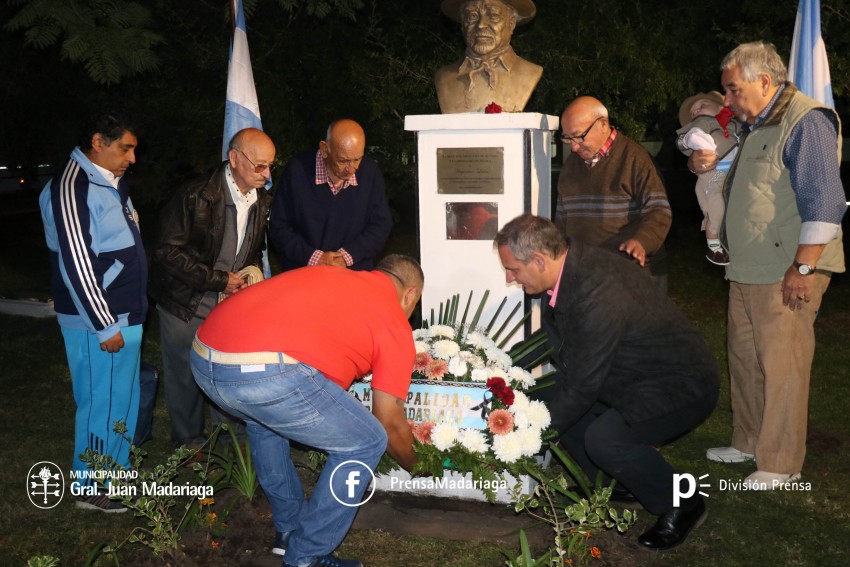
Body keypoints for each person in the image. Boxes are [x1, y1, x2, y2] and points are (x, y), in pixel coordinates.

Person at [495, 214, 719, 551]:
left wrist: (530, 437)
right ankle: (621, 482)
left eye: (513, 269)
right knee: (552, 402)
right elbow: (560, 339)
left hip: (680, 384)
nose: (510, 278)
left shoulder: (597, 291)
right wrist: (502, 366)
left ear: (539, 260)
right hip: (633, 373)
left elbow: (584, 385)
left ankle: (684, 502)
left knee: (605, 439)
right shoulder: (572, 269)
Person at [190, 254, 423, 567]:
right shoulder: (392, 317)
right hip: (264, 374)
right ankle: (308, 556)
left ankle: (289, 530)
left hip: (204, 359)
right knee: (366, 441)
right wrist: (418, 466)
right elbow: (389, 422)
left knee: (265, 421)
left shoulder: (332, 276)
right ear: (410, 294)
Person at [693, 41, 846, 489]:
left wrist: (802, 269)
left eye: (734, 89)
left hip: (787, 269)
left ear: (764, 81)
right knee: (746, 359)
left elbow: (826, 201)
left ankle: (780, 463)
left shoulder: (807, 120)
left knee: (783, 366)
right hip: (748, 267)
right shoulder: (758, 123)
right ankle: (748, 442)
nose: (728, 100)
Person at [39, 111, 146, 513]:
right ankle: (91, 485)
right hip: (99, 321)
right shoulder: (71, 187)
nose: (132, 158)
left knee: (121, 400)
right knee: (100, 403)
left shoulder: (110, 182)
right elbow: (77, 263)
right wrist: (104, 325)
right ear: (98, 141)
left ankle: (116, 473)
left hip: (125, 313)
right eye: (125, 148)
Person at [148, 128, 275, 449]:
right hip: (185, 300)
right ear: (234, 158)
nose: (267, 173)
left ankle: (228, 434)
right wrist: (218, 280)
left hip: (229, 301)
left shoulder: (261, 199)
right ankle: (188, 440)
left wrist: (252, 272)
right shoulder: (194, 194)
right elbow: (166, 251)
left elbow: (254, 247)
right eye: (259, 165)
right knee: (185, 374)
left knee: (227, 370)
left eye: (271, 165)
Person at [555, 96, 672, 289]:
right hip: (585, 273)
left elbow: (659, 210)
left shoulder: (635, 158)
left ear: (602, 124)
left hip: (633, 274)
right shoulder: (570, 166)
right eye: (567, 138)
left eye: (578, 136)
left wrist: (641, 242)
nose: (574, 146)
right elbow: (561, 219)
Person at [268, 119, 392, 272]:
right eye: (343, 161)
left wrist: (346, 256)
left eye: (357, 159)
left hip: (353, 274)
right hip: (303, 274)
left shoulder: (370, 172)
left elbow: (381, 226)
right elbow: (278, 227)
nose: (351, 168)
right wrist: (314, 257)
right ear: (325, 149)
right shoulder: (297, 171)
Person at [435, 0, 543, 113]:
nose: (481, 25)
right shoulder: (443, 78)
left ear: (511, 24)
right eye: (472, 16)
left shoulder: (529, 72)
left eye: (493, 15)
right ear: (463, 25)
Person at [675, 91, 742, 265]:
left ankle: (726, 243)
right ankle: (713, 247)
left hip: (734, 177)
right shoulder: (703, 123)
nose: (696, 111)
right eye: (693, 112)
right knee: (717, 209)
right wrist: (705, 147)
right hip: (715, 176)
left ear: (721, 106)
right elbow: (688, 138)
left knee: (726, 211)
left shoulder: (734, 123)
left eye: (701, 105)